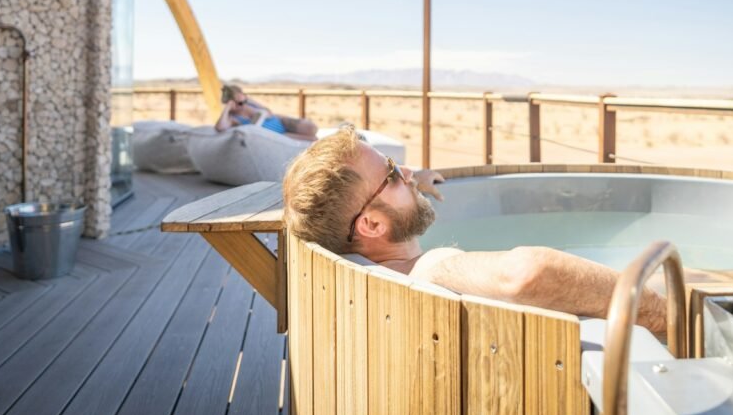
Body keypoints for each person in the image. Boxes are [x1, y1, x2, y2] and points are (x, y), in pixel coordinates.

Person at [282, 125, 667, 334]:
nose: (409, 172)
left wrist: (412, 184)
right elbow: (528, 274)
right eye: (393, 173)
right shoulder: (429, 270)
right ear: (371, 224)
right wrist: (664, 315)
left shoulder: (354, 263)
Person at [215, 84, 319, 141]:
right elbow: (220, 128)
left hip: (280, 121)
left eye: (244, 100)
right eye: (240, 103)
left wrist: (248, 100)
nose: (244, 104)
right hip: (279, 134)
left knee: (312, 128)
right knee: (313, 139)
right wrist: (227, 108)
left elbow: (268, 111)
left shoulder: (249, 103)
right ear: (231, 103)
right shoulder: (233, 118)